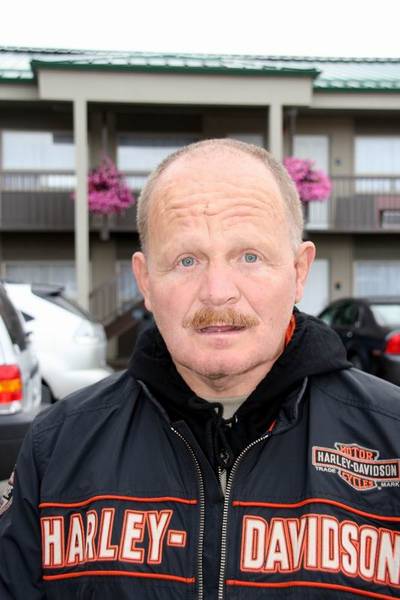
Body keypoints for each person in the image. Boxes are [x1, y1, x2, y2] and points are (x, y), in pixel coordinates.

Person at [1, 138, 400, 600]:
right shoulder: (56, 448)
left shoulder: (391, 437)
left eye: (249, 256)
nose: (217, 291)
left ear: (299, 271)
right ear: (145, 281)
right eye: (186, 260)